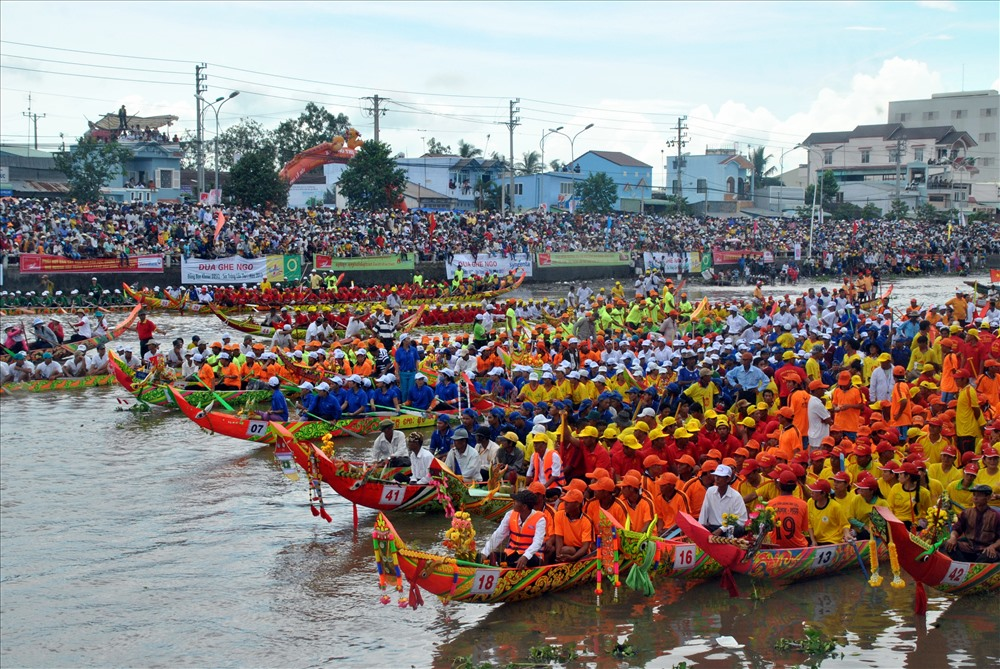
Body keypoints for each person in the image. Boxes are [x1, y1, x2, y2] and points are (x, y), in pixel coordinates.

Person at [482, 490, 547, 568]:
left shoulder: (540, 520)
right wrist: (485, 552)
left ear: (524, 506)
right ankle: (502, 564)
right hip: (511, 553)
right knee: (487, 556)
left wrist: (525, 556)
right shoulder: (509, 515)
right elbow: (499, 535)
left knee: (524, 561)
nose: (514, 503)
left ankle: (506, 566)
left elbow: (538, 542)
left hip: (532, 556)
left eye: (516, 501)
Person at [943, 485, 1000, 562]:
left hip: (987, 549)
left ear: (988, 498)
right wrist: (953, 537)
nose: (975, 498)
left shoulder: (996, 516)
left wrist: (993, 547)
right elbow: (956, 529)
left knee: (988, 554)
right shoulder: (966, 513)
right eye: (974, 495)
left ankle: (971, 569)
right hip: (970, 547)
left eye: (979, 495)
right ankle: (966, 567)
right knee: (948, 544)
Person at [698, 464, 748, 536]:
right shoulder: (710, 491)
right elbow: (704, 512)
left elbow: (741, 521)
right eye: (716, 476)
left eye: (720, 477)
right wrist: (700, 527)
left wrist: (722, 529)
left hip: (729, 529)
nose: (717, 479)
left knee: (739, 529)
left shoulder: (736, 496)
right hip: (713, 527)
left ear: (728, 479)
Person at [767, 470, 810, 547]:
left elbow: (768, 528)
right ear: (795, 486)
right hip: (798, 548)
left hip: (775, 547)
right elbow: (804, 529)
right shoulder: (803, 504)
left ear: (779, 485)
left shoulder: (770, 504)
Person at [552, 489, 595, 562]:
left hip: (580, 552)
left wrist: (573, 558)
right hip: (564, 549)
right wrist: (558, 555)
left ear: (577, 504)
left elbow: (585, 546)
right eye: (565, 501)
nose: (565, 504)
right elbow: (559, 538)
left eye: (568, 502)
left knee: (567, 550)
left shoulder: (586, 521)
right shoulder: (558, 515)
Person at [806, 479, 851, 545]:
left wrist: (847, 534)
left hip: (831, 540)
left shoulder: (835, 506)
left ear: (823, 493)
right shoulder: (810, 502)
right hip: (816, 538)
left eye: (815, 491)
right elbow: (809, 523)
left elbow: (845, 524)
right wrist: (813, 540)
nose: (811, 493)